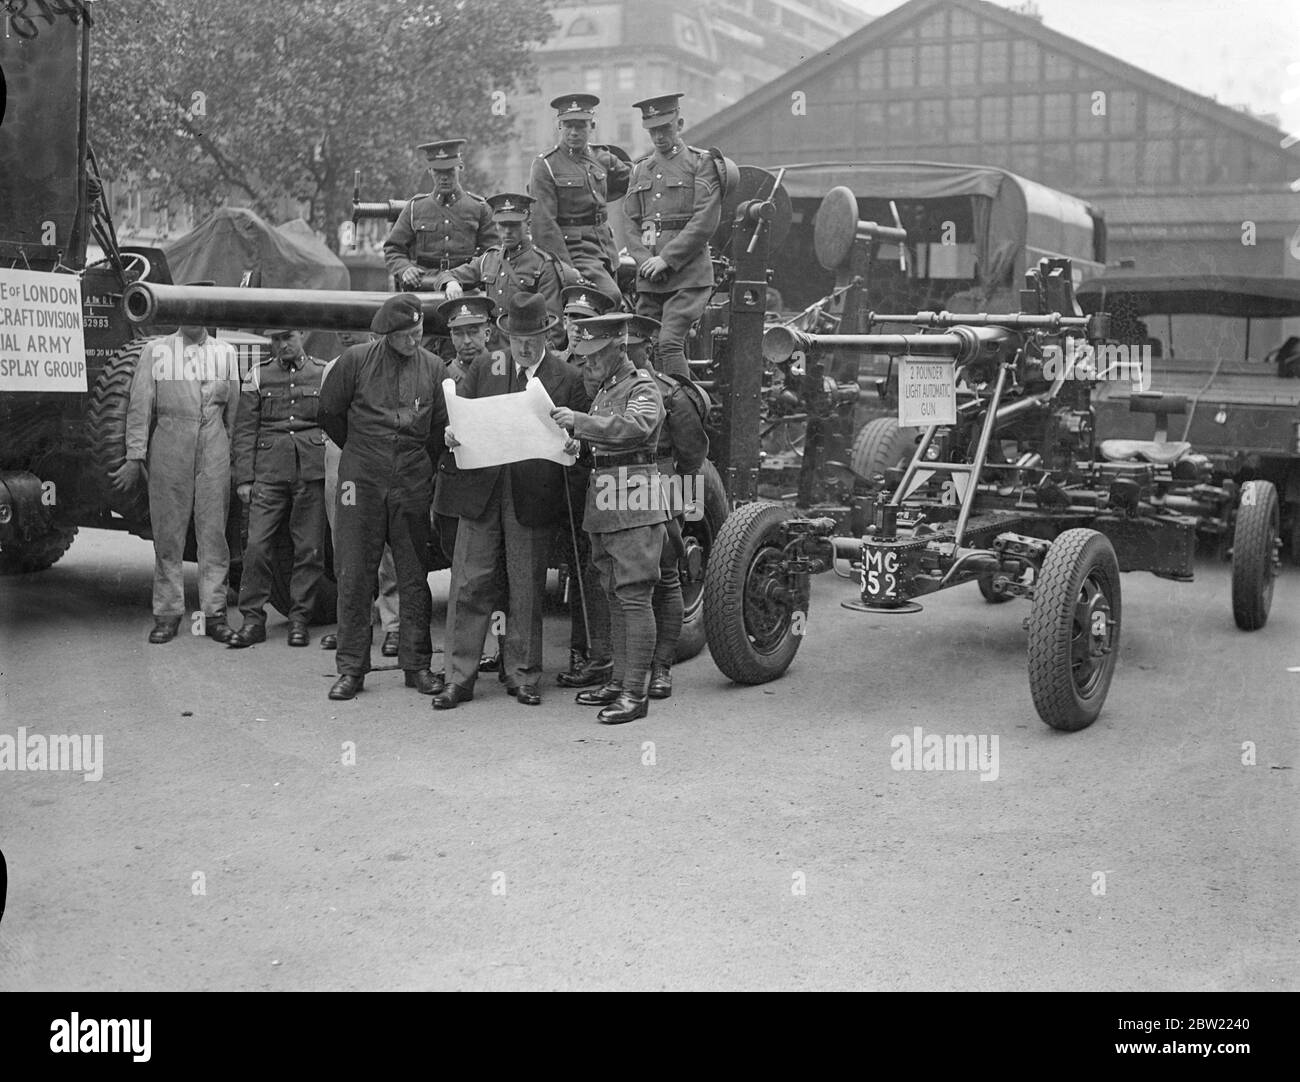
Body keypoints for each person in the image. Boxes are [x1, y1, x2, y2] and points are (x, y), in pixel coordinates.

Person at [431, 293, 589, 711]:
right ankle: (458, 678)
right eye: (517, 337)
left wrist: (575, 445)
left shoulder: (567, 377)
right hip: (483, 489)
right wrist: (452, 433)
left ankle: (523, 675)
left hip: (532, 494)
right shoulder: (486, 366)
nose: (525, 346)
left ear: (548, 333)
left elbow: (580, 440)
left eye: (533, 336)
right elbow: (458, 414)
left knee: (526, 587)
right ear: (505, 335)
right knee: (469, 583)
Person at [318, 294, 449, 701]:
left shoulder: (434, 368)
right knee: (355, 575)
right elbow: (329, 414)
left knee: (414, 577)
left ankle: (418, 666)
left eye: (419, 333)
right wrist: (364, 451)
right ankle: (352, 669)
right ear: (387, 335)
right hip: (361, 479)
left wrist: (412, 467)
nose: (415, 340)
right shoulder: (355, 361)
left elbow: (438, 429)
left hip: (411, 480)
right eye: (406, 335)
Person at [550, 313, 668, 724]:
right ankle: (619, 681)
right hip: (606, 501)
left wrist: (580, 423)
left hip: (634, 501)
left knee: (634, 596)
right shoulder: (605, 390)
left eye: (596, 355)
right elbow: (604, 442)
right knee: (614, 595)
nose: (588, 363)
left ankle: (635, 691)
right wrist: (578, 446)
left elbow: (635, 428)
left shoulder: (641, 387)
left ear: (620, 348)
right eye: (585, 356)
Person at [109, 284, 239, 645]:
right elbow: (139, 406)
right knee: (168, 535)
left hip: (213, 445)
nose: (193, 315)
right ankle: (167, 614)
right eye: (186, 307)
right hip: (169, 444)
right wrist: (136, 455)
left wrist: (230, 454)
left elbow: (235, 412)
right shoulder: (157, 350)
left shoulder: (226, 353)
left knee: (214, 535)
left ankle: (214, 614)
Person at [226, 329, 329, 648]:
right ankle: (252, 619)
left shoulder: (322, 372)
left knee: (309, 548)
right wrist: (244, 479)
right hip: (268, 473)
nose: (282, 345)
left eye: (288, 337)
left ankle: (299, 619)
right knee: (256, 546)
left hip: (310, 471)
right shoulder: (258, 375)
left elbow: (332, 420)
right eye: (275, 340)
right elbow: (244, 430)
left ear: (302, 336)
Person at [627, 315, 709, 698]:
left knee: (666, 578)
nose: (627, 354)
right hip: (615, 489)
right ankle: (625, 668)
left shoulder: (672, 393)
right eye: (621, 347)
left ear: (649, 349)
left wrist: (676, 497)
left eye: (633, 347)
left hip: (660, 487)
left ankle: (661, 668)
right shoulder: (606, 388)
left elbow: (692, 457)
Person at [620, 93, 724, 379]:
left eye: (665, 128)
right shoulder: (640, 169)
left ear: (679, 123)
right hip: (650, 277)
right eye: (653, 130)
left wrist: (666, 259)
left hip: (688, 276)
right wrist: (644, 261)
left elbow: (705, 221)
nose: (659, 136)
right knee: (633, 345)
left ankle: (683, 409)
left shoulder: (701, 163)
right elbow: (630, 222)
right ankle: (653, 397)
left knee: (668, 343)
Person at [319, 331, 400, 657]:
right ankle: (352, 624)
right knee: (346, 548)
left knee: (386, 551)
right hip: (341, 457)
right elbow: (327, 414)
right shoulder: (334, 367)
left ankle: (393, 625)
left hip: (380, 458)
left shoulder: (397, 367)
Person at [555, 284, 616, 689]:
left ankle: (595, 653)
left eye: (583, 322)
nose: (575, 329)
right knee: (572, 567)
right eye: (569, 320)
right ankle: (585, 650)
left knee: (592, 570)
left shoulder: (601, 369)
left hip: (592, 478)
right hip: (554, 478)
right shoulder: (555, 364)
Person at [529, 93, 631, 303]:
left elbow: (636, 179)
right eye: (568, 125)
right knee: (610, 298)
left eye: (581, 126)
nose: (574, 132)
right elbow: (543, 225)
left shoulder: (601, 158)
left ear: (592, 126)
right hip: (574, 252)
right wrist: (565, 269)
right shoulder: (546, 165)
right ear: (559, 126)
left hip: (606, 249)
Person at [434, 193, 568, 349]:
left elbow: (553, 327)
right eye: (502, 225)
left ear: (528, 224)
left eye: (514, 225)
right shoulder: (489, 259)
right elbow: (445, 275)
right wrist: (451, 283)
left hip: (525, 346)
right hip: (492, 348)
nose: (507, 231)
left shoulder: (542, 265)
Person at [382, 138, 497, 290]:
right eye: (438, 171)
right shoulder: (415, 208)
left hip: (464, 287)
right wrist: (405, 269)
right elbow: (393, 249)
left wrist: (464, 276)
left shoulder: (479, 208)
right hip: (423, 285)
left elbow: (492, 253)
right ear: (430, 170)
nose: (444, 177)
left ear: (460, 168)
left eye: (449, 170)